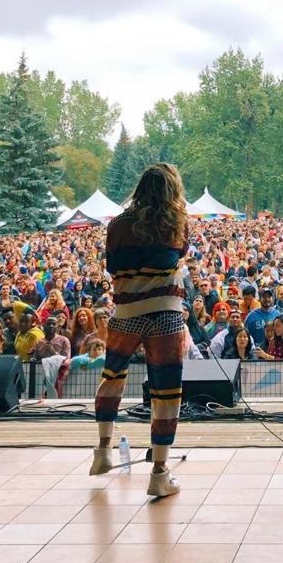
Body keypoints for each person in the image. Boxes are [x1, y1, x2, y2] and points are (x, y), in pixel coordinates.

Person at [90, 163, 189, 498]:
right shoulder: (176, 223)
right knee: (166, 391)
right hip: (165, 313)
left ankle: (103, 450)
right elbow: (178, 254)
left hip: (126, 311)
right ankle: (159, 472)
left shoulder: (117, 225)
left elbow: (112, 267)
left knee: (112, 377)